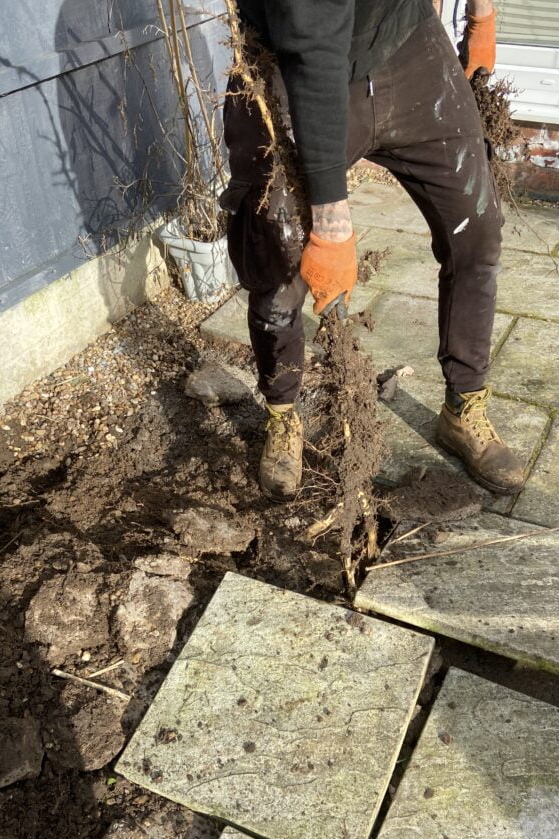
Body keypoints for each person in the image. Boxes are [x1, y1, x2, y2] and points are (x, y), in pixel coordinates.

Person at [221, 0, 526, 502]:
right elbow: (314, 54)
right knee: (277, 250)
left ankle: (464, 406)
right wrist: (331, 227)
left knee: (477, 231)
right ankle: (283, 412)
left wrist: (482, 16)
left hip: (408, 43)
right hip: (299, 66)